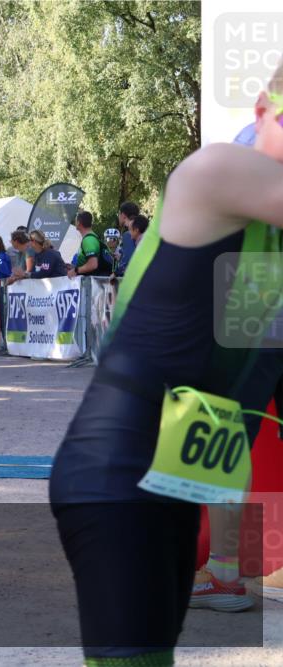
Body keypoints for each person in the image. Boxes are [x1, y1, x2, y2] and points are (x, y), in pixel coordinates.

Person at [49, 61, 283, 666]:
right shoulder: (217, 170)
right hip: (118, 473)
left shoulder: (269, 256)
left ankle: (224, 570)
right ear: (262, 110)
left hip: (179, 485)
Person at [67, 211, 114, 278]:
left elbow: (93, 265)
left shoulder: (88, 240)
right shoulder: (90, 237)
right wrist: (74, 267)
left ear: (78, 223)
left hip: (93, 281)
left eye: (76, 220)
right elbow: (87, 262)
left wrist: (76, 270)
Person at [117, 201, 141, 276]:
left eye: (119, 214)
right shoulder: (142, 231)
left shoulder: (128, 235)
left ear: (123, 215)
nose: (118, 216)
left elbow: (127, 264)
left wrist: (115, 272)